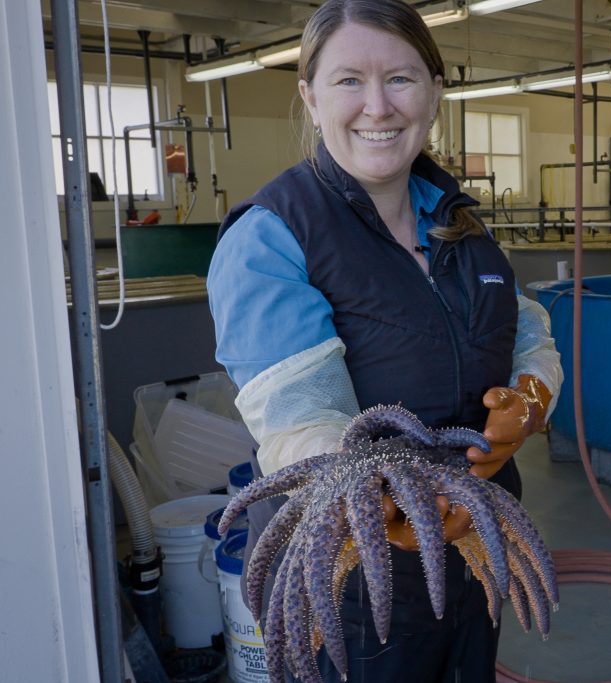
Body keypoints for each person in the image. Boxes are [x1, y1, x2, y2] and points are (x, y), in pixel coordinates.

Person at [205, 1, 562, 681]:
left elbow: (524, 329)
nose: (378, 105)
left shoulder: (461, 223)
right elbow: (299, 416)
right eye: (348, 81)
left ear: (434, 93)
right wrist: (391, 504)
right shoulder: (274, 235)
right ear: (310, 98)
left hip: (474, 548)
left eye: (400, 79)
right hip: (353, 573)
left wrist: (531, 392)